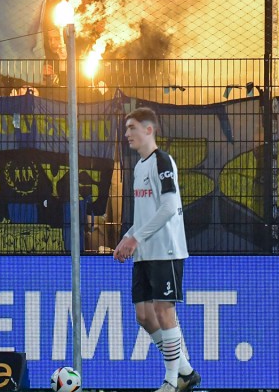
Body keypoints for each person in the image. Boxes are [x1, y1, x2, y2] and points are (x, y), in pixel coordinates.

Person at [114, 108, 201, 392]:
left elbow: (168, 207)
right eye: (126, 128)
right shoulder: (139, 166)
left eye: (132, 127)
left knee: (165, 312)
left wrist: (135, 238)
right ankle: (186, 371)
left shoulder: (162, 161)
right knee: (143, 315)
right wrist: (127, 237)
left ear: (149, 130)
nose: (127, 134)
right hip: (144, 252)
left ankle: (172, 380)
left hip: (165, 250)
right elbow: (145, 215)